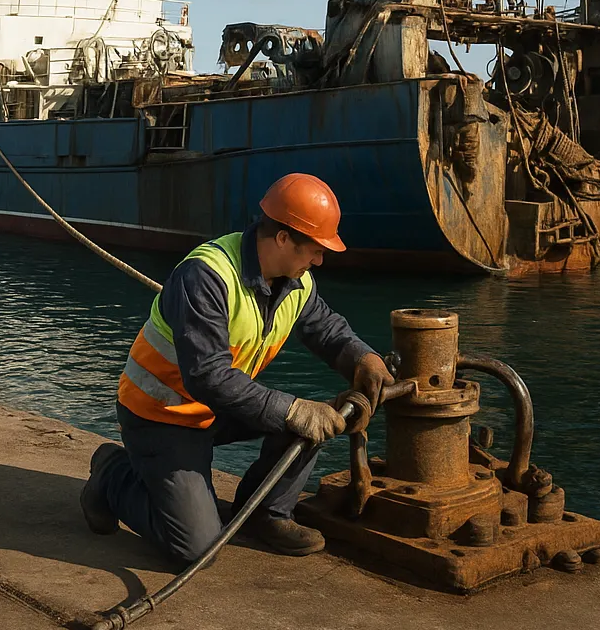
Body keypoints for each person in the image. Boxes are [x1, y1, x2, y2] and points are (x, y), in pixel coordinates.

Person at [79, 172, 394, 562]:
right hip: (161, 416)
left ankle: (266, 513)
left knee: (320, 420)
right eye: (314, 249)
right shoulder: (206, 276)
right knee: (197, 549)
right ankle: (113, 475)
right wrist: (292, 410)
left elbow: (326, 329)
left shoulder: (296, 280)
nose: (319, 260)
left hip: (217, 410)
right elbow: (207, 376)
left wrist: (365, 359)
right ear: (282, 238)